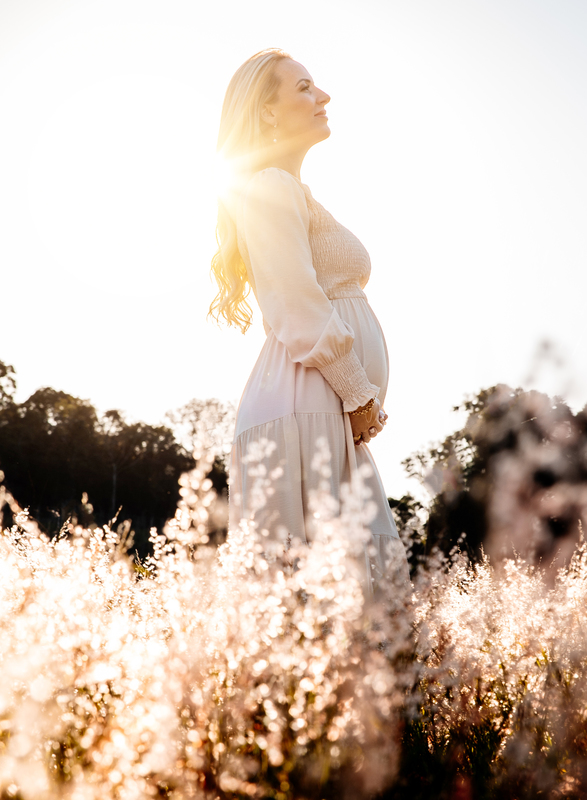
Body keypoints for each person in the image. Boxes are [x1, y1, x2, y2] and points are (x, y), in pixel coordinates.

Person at [209, 49, 405, 592]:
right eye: (304, 86)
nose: (323, 96)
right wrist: (358, 392)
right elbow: (294, 304)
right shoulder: (270, 186)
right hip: (307, 405)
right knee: (325, 604)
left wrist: (356, 396)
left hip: (320, 408)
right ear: (268, 111)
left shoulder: (290, 191)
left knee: (347, 599)